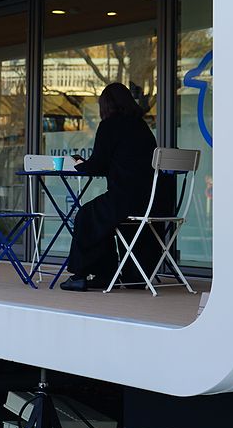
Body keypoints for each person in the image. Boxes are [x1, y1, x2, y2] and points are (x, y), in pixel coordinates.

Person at [60, 83, 171, 292]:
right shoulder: (141, 126)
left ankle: (85, 274)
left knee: (86, 215)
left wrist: (79, 164)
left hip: (126, 199)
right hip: (155, 201)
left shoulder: (110, 126)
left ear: (106, 105)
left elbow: (97, 164)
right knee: (102, 216)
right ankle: (130, 275)